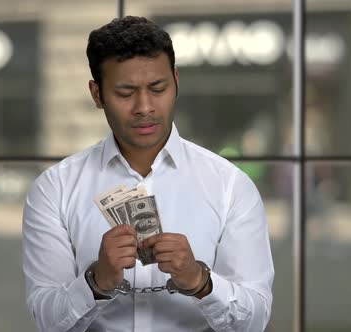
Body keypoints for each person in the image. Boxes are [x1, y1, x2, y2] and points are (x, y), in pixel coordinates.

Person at [22, 16, 274, 332]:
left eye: (157, 88)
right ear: (97, 94)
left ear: (177, 81)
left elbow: (256, 320)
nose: (144, 106)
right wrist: (95, 283)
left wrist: (201, 282)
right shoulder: (53, 190)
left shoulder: (230, 187)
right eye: (125, 93)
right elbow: (47, 321)